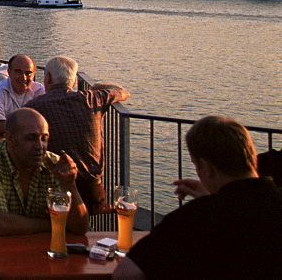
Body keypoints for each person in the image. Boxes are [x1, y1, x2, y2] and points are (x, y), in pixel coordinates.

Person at [114, 116, 282, 279]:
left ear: (206, 167)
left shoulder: (195, 218)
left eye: (196, 165)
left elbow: (126, 274)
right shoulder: (274, 203)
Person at [26, 56, 130, 214]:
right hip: (92, 191)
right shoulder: (92, 99)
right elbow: (123, 92)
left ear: (47, 78)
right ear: (74, 81)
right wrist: (97, 86)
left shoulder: (34, 107)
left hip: (54, 188)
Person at [0, 108, 88, 235]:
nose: (39, 146)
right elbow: (0, 224)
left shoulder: (55, 166)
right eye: (31, 138)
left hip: (38, 244)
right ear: (10, 139)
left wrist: (69, 184)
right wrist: (56, 223)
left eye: (44, 138)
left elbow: (80, 227)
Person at [0, 54, 44, 135]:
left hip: (27, 142)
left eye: (28, 73)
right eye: (18, 72)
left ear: (34, 74)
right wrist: (29, 122)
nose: (23, 78)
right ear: (9, 73)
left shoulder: (40, 90)